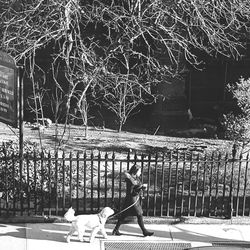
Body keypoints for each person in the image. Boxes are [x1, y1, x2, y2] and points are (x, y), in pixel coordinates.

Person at [112, 164, 154, 237]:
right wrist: (141, 188)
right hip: (132, 200)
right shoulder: (130, 179)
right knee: (139, 214)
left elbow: (137, 186)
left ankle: (115, 230)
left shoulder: (135, 177)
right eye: (139, 171)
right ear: (136, 171)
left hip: (134, 199)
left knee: (123, 215)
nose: (140, 172)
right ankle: (144, 231)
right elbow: (131, 192)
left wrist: (142, 187)